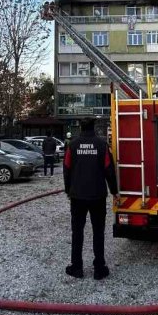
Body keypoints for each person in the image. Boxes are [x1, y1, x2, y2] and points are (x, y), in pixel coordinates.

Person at [62, 118, 118, 280]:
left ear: (80, 127)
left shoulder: (72, 145)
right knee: (98, 232)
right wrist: (114, 191)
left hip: (77, 196)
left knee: (77, 232)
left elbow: (66, 169)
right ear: (93, 127)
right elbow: (109, 169)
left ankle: (77, 268)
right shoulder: (101, 145)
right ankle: (99, 269)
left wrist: (69, 190)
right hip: (97, 195)